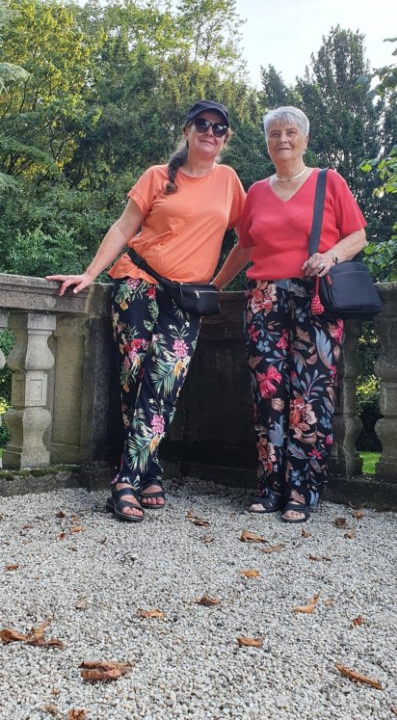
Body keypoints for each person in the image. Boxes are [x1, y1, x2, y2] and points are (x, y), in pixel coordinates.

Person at [47, 100, 246, 522]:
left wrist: (217, 284)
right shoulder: (158, 176)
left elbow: (248, 240)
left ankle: (125, 481)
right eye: (202, 124)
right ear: (187, 130)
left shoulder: (229, 181)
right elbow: (124, 227)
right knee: (135, 377)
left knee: (164, 381)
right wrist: (89, 274)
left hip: (186, 298)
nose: (210, 132)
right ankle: (148, 471)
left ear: (225, 138)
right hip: (137, 283)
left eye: (219, 128)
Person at [214, 106, 367, 523]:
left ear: (305, 139)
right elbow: (245, 247)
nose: (282, 139)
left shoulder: (328, 181)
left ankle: (301, 490)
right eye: (274, 133)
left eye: (290, 132)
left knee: (310, 397)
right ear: (267, 142)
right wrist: (215, 286)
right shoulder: (256, 192)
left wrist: (331, 256)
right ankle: (270, 487)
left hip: (315, 297)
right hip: (264, 299)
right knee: (267, 395)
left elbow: (358, 234)